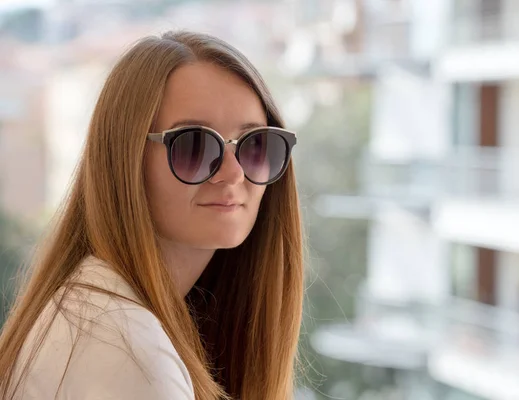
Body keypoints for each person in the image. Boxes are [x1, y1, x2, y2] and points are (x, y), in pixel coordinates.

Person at [0, 31, 304, 400]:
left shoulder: (98, 313)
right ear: (125, 161)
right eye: (193, 144)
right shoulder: (129, 355)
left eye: (255, 145)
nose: (233, 173)